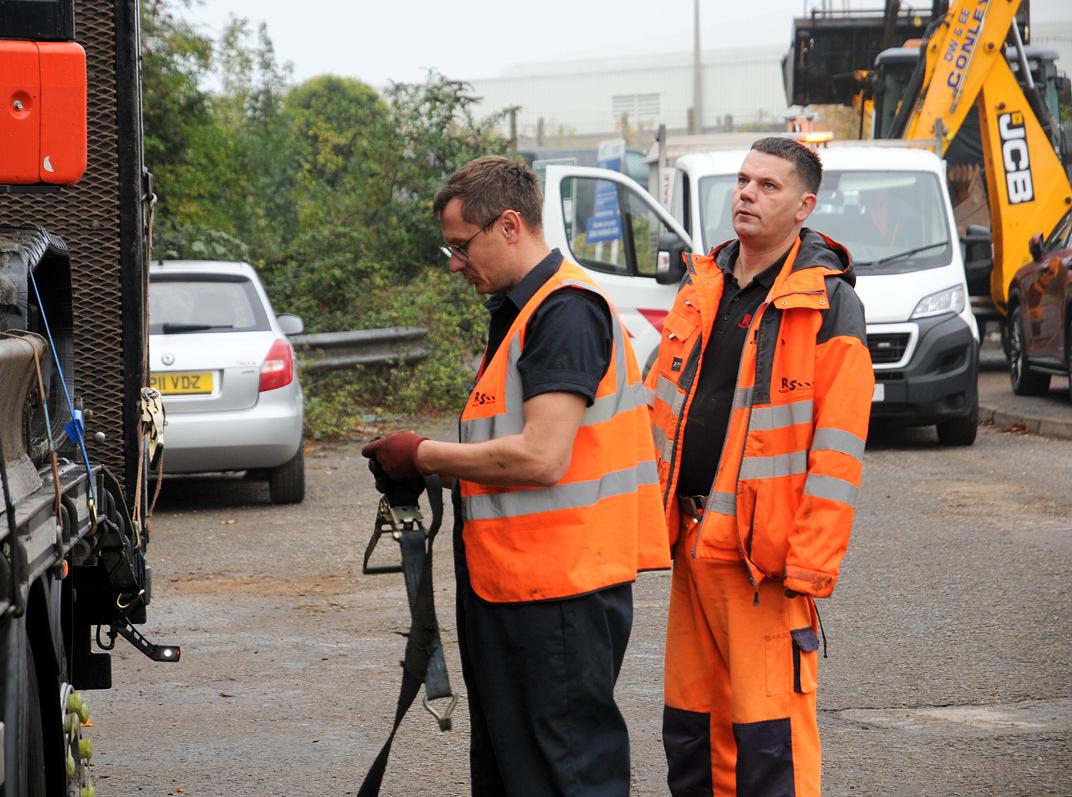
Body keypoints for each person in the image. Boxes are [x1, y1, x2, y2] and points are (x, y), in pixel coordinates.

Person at [362, 155, 670, 796]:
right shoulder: (520, 312)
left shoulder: (565, 312)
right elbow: (511, 455)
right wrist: (428, 467)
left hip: (560, 596)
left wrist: (423, 456)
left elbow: (540, 457)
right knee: (517, 774)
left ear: (508, 225)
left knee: (567, 775)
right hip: (520, 588)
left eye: (460, 246)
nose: (455, 264)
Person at [646, 137, 873, 796]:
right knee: (693, 729)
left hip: (762, 564)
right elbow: (657, 404)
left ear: (804, 206)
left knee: (771, 742)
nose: (747, 193)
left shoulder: (829, 306)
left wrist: (808, 564)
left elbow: (838, 450)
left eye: (768, 185)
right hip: (692, 543)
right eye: (744, 180)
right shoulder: (703, 284)